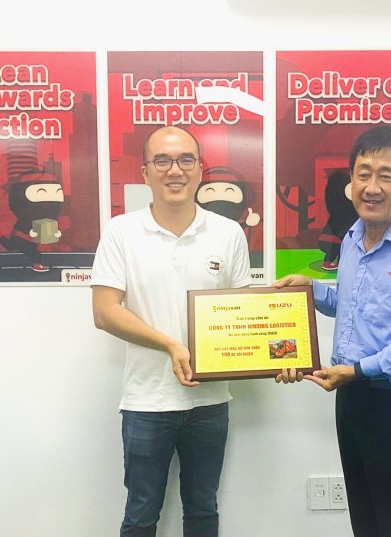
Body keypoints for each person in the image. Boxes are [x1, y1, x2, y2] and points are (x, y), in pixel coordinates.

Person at [275, 126, 391, 537]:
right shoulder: (353, 238)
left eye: (385, 175)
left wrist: (357, 370)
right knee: (366, 521)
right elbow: (352, 304)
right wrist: (311, 289)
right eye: (363, 174)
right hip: (352, 399)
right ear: (351, 180)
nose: (371, 187)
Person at [90, 126, 252, 537]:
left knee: (203, 510)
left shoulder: (228, 233)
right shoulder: (121, 231)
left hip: (210, 401)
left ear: (200, 170)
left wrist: (278, 354)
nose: (174, 170)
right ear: (145, 172)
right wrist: (170, 345)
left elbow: (243, 315)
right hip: (147, 401)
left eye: (185, 160)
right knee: (141, 515)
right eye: (161, 160)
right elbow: (105, 312)